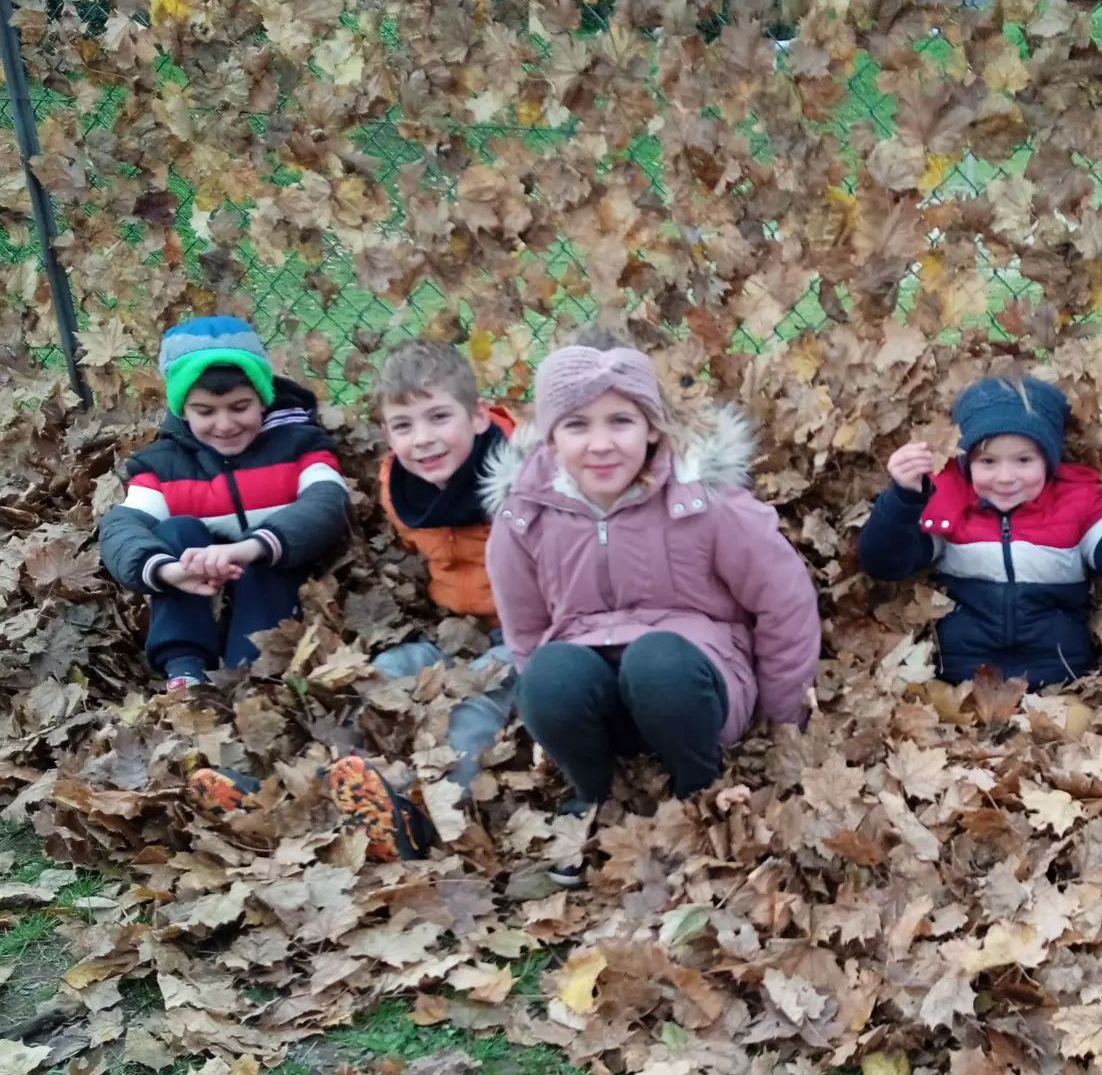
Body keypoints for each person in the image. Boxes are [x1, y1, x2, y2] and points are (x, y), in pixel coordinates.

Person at [484, 330, 821, 886]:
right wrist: (548, 708)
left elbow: (785, 601)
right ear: (549, 438)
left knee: (658, 660)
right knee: (547, 673)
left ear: (651, 427)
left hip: (696, 683)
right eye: (576, 425)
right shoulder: (525, 517)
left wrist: (782, 715)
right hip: (594, 690)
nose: (600, 444)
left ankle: (698, 788)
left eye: (620, 421)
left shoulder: (704, 501)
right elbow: (524, 627)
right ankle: (590, 789)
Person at [188, 339, 521, 863]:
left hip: (540, 631)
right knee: (386, 671)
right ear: (387, 434)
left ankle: (423, 813)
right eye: (405, 426)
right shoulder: (401, 484)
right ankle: (306, 791)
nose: (425, 439)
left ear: (479, 417)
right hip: (463, 626)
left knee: (480, 700)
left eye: (439, 417)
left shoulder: (527, 478)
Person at [857, 373, 1102, 688]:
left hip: (1058, 676)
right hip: (961, 677)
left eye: (1024, 460)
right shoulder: (951, 506)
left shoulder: (1079, 504)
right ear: (967, 463)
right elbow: (884, 562)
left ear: (1048, 460)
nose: (1006, 477)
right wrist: (903, 498)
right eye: (988, 462)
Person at [99, 315, 349, 693]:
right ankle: (186, 668)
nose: (225, 424)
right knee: (175, 531)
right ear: (183, 410)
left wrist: (250, 547)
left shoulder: (300, 444)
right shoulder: (163, 464)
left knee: (271, 552)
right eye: (206, 411)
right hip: (199, 578)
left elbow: (328, 500)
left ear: (262, 398)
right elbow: (121, 528)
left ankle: (252, 672)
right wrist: (166, 571)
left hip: (273, 576)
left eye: (240, 406)